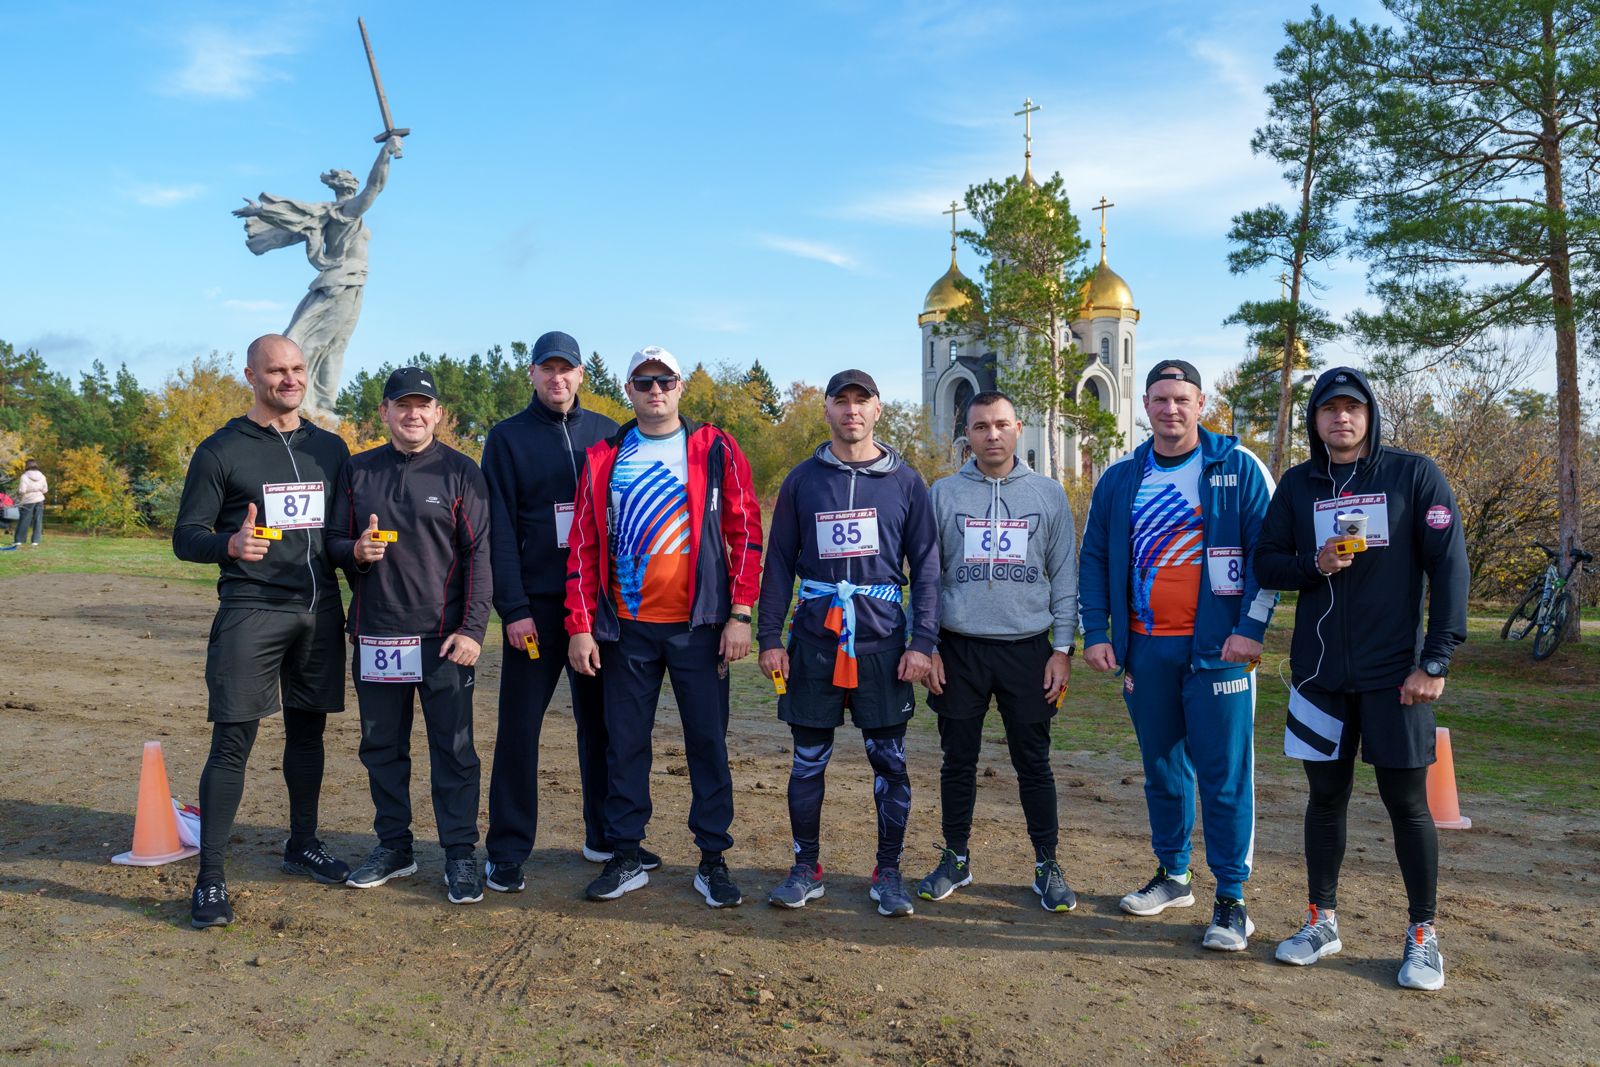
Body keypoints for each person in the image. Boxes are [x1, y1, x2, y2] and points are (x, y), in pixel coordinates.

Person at [1254, 366, 1468, 991]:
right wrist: (1312, 563)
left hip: (1395, 677)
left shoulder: (1412, 475)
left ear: (1370, 415)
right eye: (1329, 409)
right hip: (1318, 677)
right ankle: (1321, 921)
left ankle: (1423, 935)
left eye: (1352, 408)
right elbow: (1266, 562)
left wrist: (1435, 660)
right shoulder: (1298, 485)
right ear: (1315, 420)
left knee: (1407, 804)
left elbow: (1449, 568)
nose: (1341, 418)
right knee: (1324, 799)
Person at [1078, 359, 1278, 951]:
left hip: (1220, 652)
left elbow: (1268, 556)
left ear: (1201, 404)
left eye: (1182, 399)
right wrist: (1097, 631)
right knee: (1163, 770)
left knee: (1224, 777)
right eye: (1160, 399)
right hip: (1147, 650)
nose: (1171, 409)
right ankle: (1174, 875)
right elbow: (1095, 558)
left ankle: (1232, 900)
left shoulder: (1238, 466)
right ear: (1145, 405)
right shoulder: (1121, 477)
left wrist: (1251, 629)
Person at [565, 346, 762, 908]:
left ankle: (713, 859)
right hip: (626, 629)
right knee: (624, 745)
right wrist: (580, 626)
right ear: (628, 389)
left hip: (700, 628)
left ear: (680, 387)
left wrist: (740, 613)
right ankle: (626, 854)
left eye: (665, 380)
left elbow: (747, 532)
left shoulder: (715, 447)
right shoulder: (605, 455)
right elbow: (582, 545)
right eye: (644, 381)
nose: (655, 390)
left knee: (707, 743)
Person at [172, 334, 353, 930]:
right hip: (252, 609)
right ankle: (210, 879)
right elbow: (186, 537)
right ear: (251, 376)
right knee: (233, 741)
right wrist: (229, 544)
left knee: (308, 735)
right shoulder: (220, 450)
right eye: (276, 370)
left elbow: (338, 535)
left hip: (320, 611)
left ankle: (303, 844)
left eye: (297, 368)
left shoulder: (330, 448)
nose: (290, 379)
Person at [480, 331, 659, 894]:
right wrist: (513, 608)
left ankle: (604, 836)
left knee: (604, 727)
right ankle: (507, 850)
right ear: (532, 374)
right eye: (547, 369)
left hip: (598, 610)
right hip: (534, 611)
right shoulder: (506, 438)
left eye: (567, 369)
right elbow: (498, 531)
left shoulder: (609, 432)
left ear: (582, 375)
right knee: (519, 731)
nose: (557, 378)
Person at [757, 369, 939, 918]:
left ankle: (888, 872)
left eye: (862, 401)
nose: (852, 410)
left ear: (878, 409)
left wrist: (922, 641)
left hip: (884, 644)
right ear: (828, 410)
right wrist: (769, 637)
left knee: (890, 762)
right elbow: (778, 563)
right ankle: (805, 868)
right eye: (842, 401)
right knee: (807, 761)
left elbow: (927, 567)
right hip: (814, 641)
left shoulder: (906, 482)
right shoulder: (802, 480)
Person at [326, 367, 493, 904]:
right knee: (381, 749)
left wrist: (472, 630)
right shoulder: (357, 470)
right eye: (402, 405)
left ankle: (460, 854)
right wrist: (355, 551)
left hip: (444, 641)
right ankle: (394, 846)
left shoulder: (461, 472)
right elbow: (332, 541)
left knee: (455, 751)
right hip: (377, 638)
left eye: (423, 405)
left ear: (438, 414)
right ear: (385, 412)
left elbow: (479, 556)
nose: (413, 414)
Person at [918, 391, 1079, 912]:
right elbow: (926, 577)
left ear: (1018, 429)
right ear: (966, 433)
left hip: (1027, 650)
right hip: (959, 650)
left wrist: (1062, 650)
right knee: (957, 761)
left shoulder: (1048, 494)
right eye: (981, 426)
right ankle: (955, 858)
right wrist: (927, 644)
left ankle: (1047, 864)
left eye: (1001, 425)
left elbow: (1065, 579)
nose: (992, 435)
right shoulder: (942, 494)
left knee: (1034, 763)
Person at [235, 136, 400, 419]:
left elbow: (295, 220)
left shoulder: (330, 214)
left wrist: (262, 211)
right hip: (342, 282)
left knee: (336, 344)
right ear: (347, 186)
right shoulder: (346, 212)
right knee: (313, 341)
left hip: (352, 283)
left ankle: (324, 404)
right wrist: (385, 154)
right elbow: (375, 187)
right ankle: (307, 402)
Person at [14, 460, 46, 547]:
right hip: (39, 499)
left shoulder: (24, 476)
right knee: (38, 520)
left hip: (28, 500)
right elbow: (45, 490)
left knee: (24, 520)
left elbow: (22, 490)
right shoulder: (42, 476)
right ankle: (35, 541)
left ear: (27, 466)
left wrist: (18, 496)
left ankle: (19, 540)